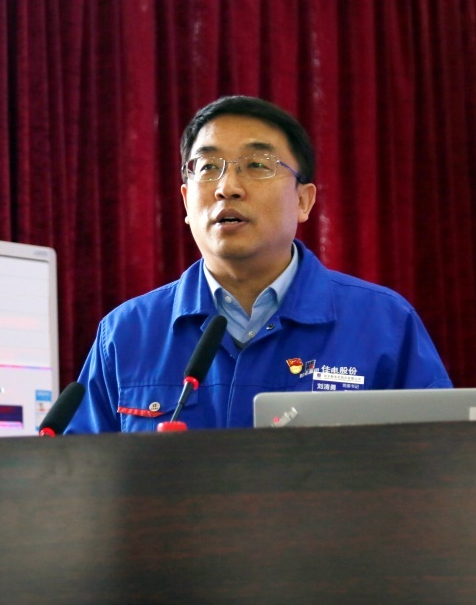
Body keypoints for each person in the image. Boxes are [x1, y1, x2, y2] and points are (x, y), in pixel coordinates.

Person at [64, 95, 451, 434]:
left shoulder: (382, 323)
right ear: (185, 201)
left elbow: (441, 463)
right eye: (208, 167)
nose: (227, 187)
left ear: (304, 200)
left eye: (257, 165)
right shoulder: (126, 333)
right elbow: (80, 475)